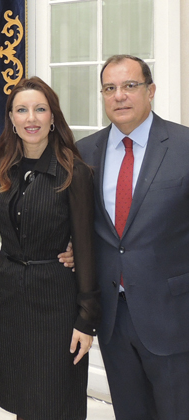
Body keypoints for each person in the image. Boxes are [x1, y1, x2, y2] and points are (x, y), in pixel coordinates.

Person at [77, 55, 189, 420]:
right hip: (113, 317)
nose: (119, 96)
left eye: (130, 86)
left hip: (173, 315)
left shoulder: (184, 146)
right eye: (110, 88)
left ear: (151, 91)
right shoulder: (85, 153)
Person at [0, 77, 100, 420]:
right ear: (12, 119)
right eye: (21, 110)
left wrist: (86, 319)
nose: (30, 118)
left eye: (39, 109)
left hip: (56, 303)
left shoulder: (73, 172)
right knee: (22, 398)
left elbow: (85, 248)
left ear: (53, 117)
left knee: (54, 397)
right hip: (8, 300)